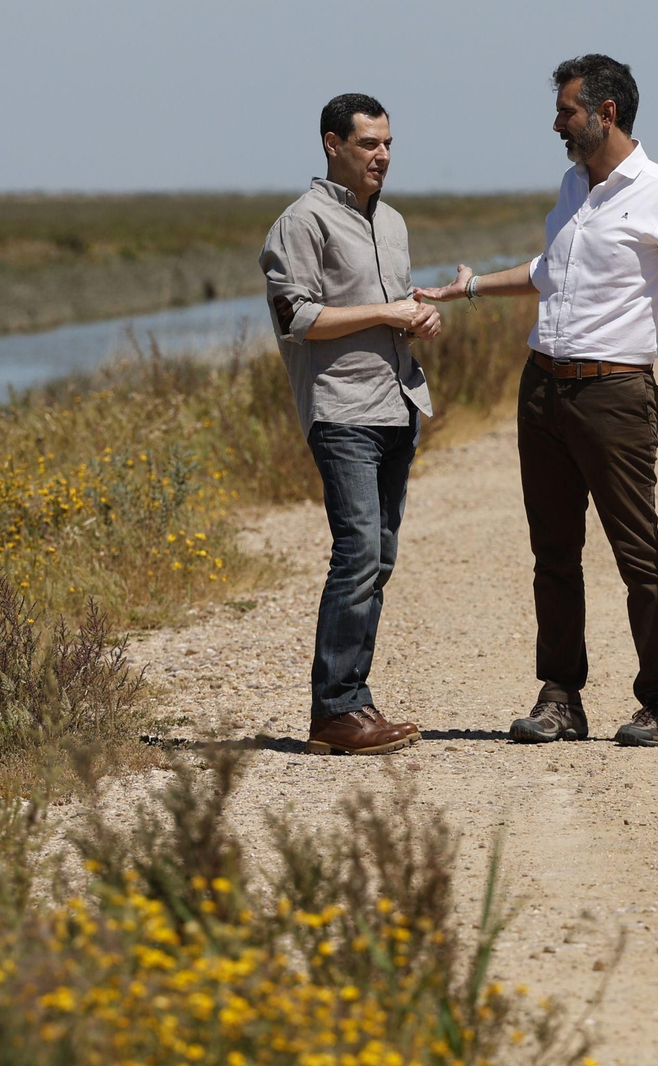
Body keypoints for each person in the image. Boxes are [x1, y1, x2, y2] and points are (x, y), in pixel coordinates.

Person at [417, 55, 658, 748]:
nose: (556, 122)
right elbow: (552, 272)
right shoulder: (573, 186)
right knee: (553, 554)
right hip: (543, 388)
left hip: (614, 393)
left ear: (606, 113)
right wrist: (473, 287)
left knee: (638, 552)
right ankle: (560, 699)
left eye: (567, 110)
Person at [260, 93, 439, 755]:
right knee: (358, 552)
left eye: (388, 144)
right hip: (341, 412)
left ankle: (351, 706)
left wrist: (419, 318)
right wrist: (386, 314)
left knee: (379, 557)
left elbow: (397, 306)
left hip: (398, 405)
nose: (382, 157)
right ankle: (335, 711)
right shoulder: (300, 223)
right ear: (333, 144)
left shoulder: (390, 222)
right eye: (368, 145)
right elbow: (297, 320)